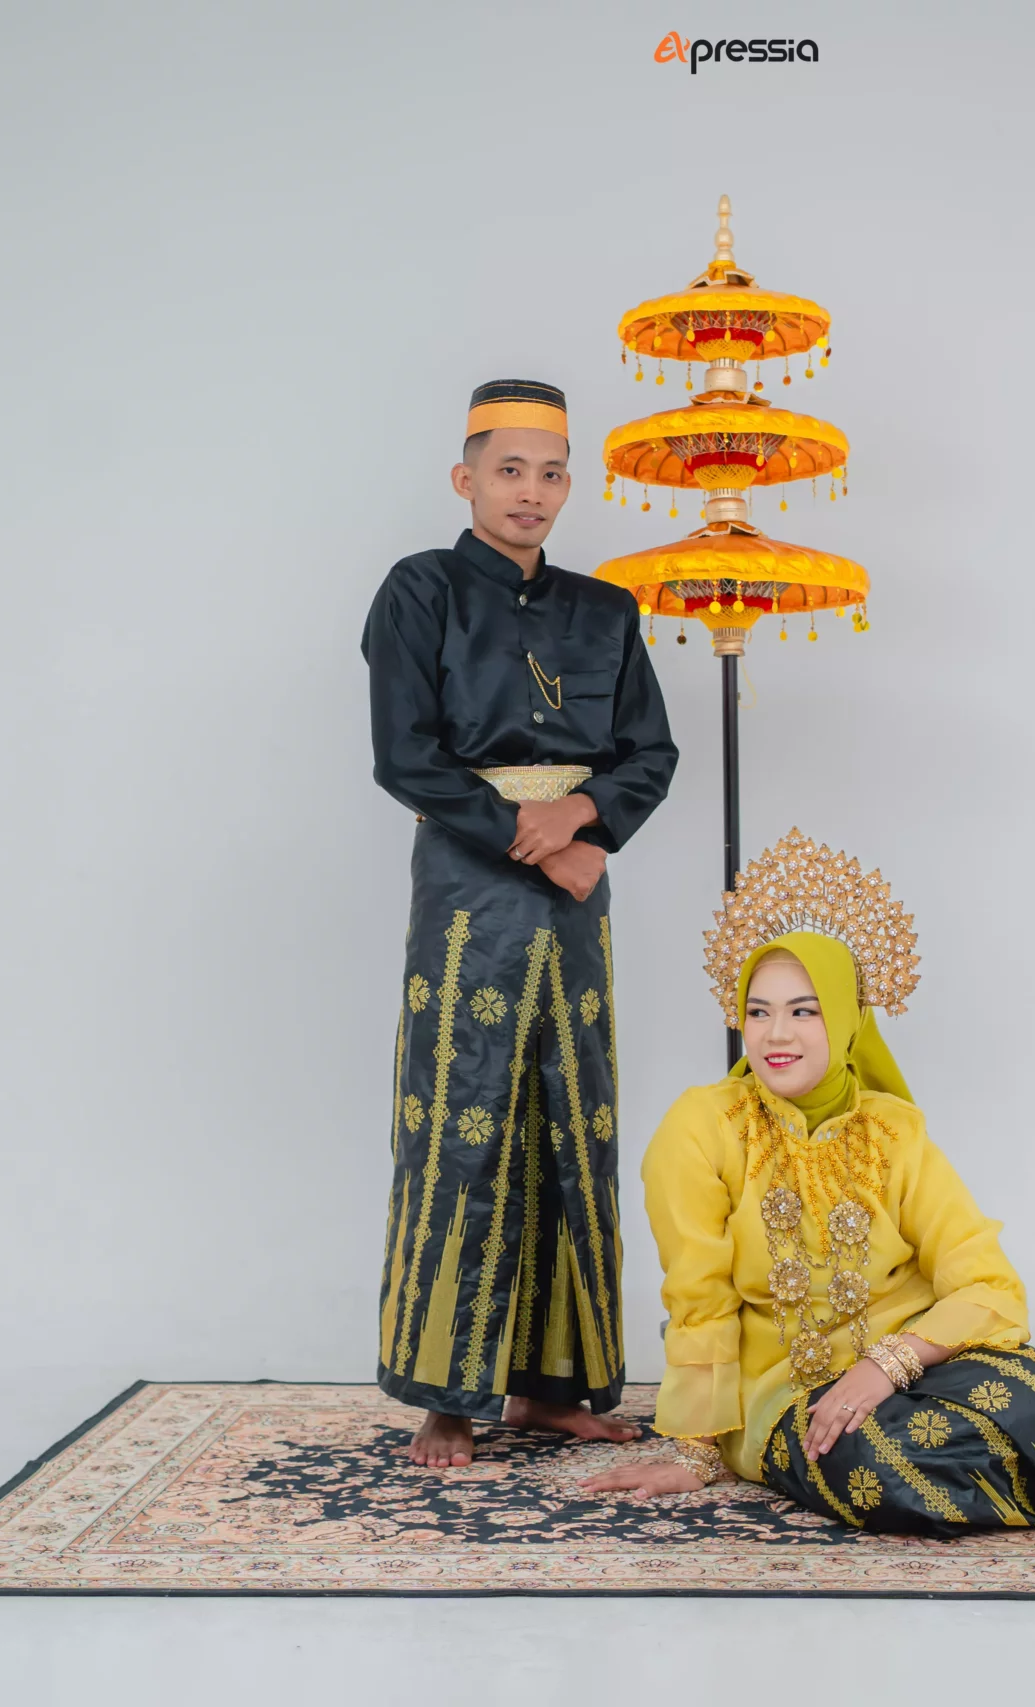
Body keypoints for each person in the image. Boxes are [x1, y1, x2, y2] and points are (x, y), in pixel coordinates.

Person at [581, 830, 1035, 1531]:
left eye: (804, 1010)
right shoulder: (703, 1125)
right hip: (785, 1394)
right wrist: (698, 1450)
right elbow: (698, 1297)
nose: (775, 1035)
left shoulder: (892, 1132)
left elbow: (990, 1286)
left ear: (846, 1017)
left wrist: (886, 1365)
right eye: (758, 1011)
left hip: (914, 1366)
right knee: (882, 1467)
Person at [364, 379, 678, 1467]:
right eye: (508, 470)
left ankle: (550, 1388)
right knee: (463, 1113)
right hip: (470, 886)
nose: (529, 492)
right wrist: (530, 834)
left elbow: (650, 752)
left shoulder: (607, 610)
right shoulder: (421, 589)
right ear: (466, 478)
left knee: (571, 1116)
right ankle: (447, 1395)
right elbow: (404, 755)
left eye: (550, 473)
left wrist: (584, 821)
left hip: (577, 897)